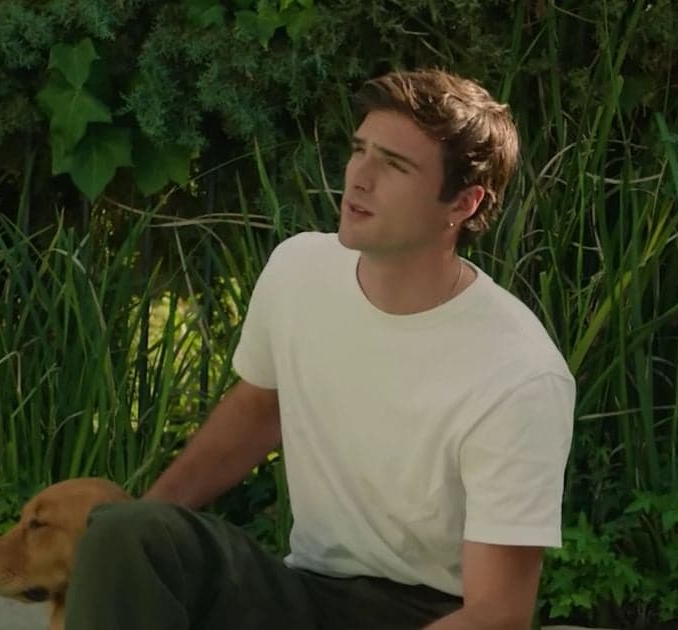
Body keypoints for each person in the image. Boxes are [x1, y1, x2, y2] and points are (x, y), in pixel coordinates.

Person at [64, 67, 576, 630]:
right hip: (304, 593)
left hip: (427, 613)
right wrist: (143, 541)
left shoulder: (518, 373)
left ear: (462, 203)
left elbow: (496, 614)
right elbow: (260, 408)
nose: (360, 178)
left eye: (395, 165)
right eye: (360, 150)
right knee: (125, 531)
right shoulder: (300, 270)